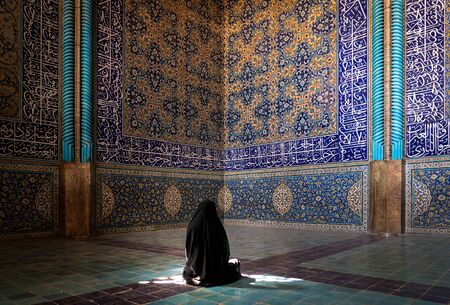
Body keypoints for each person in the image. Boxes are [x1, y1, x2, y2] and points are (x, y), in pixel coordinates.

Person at [183, 199, 241, 286]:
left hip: (195, 269)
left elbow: (188, 250)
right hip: (216, 270)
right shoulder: (217, 227)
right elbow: (225, 250)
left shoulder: (192, 226)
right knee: (235, 264)